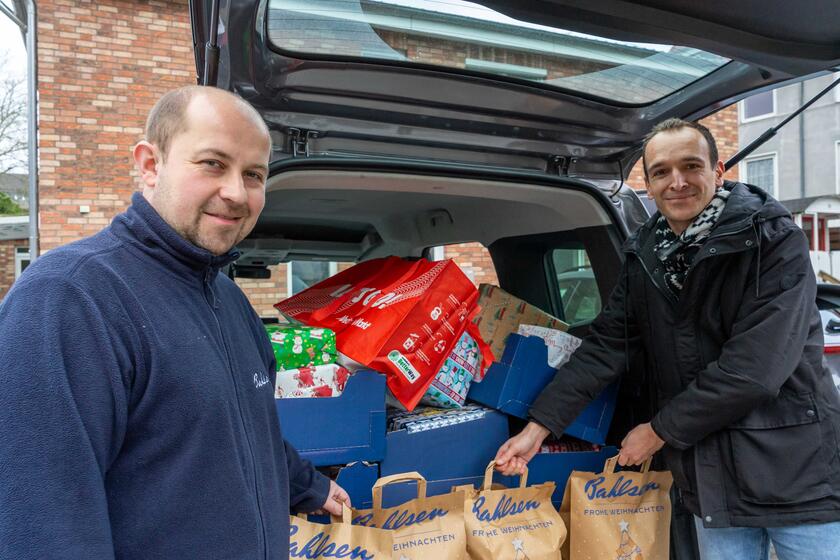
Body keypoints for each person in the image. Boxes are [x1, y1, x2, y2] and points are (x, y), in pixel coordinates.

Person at [0, 86, 349, 559]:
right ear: (150, 164)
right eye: (212, 164)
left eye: (253, 175)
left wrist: (307, 485)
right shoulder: (70, 298)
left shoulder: (227, 298)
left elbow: (241, 428)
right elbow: (41, 523)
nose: (235, 192)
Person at [495, 118, 840, 559]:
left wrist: (658, 431)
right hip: (710, 477)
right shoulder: (646, 253)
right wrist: (539, 428)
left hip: (794, 471)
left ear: (718, 172)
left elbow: (755, 371)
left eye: (690, 166)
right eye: (661, 172)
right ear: (649, 183)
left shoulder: (772, 239)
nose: (676, 182)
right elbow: (606, 346)